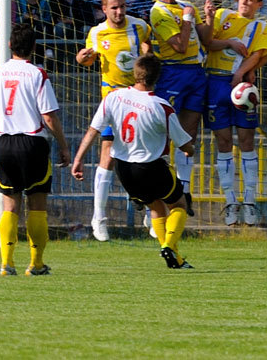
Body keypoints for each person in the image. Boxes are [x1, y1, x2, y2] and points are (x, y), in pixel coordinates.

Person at [72, 53, 196, 269]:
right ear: (158, 77)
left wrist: (78, 158)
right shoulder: (161, 106)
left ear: (135, 74)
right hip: (151, 166)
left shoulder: (113, 97)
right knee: (179, 204)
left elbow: (93, 130)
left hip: (123, 169)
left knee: (156, 208)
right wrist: (190, 149)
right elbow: (185, 145)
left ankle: (175, 259)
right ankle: (168, 244)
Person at [0, 23, 70, 276]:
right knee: (37, 205)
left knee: (10, 206)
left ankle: (7, 264)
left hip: (6, 143)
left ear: (10, 45)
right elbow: (49, 116)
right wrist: (64, 146)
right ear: (34, 47)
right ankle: (36, 264)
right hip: (33, 144)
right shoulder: (37, 74)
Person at [75, 0, 152, 241]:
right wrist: (81, 58)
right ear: (104, 8)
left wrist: (146, 53)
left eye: (122, 6)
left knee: (144, 153)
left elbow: (148, 48)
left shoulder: (139, 26)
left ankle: (150, 210)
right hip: (112, 97)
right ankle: (99, 218)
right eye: (114, 8)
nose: (119, 12)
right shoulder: (97, 33)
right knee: (107, 152)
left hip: (137, 95)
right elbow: (86, 59)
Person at [150, 0, 216, 219]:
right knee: (165, 132)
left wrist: (208, 18)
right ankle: (155, 193)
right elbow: (178, 46)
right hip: (173, 73)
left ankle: (184, 189)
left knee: (189, 132)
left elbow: (206, 40)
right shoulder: (158, 12)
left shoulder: (188, 5)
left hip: (196, 73)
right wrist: (188, 20)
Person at [206, 0, 267, 226]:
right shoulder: (223, 16)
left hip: (242, 85)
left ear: (259, 4)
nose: (245, 2)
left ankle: (250, 202)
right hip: (216, 83)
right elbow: (208, 43)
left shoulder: (261, 26)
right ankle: (230, 202)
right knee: (223, 142)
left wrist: (240, 73)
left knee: (246, 141)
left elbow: (257, 54)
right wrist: (229, 43)